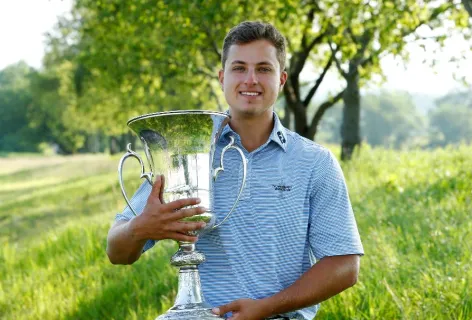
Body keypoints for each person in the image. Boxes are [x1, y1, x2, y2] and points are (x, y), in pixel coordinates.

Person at [106, 21, 364, 320]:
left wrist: (266, 308)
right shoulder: (186, 149)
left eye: (264, 69)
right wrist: (141, 228)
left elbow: (345, 265)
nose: (250, 79)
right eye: (239, 68)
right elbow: (117, 252)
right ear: (222, 77)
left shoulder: (315, 162)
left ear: (281, 80)